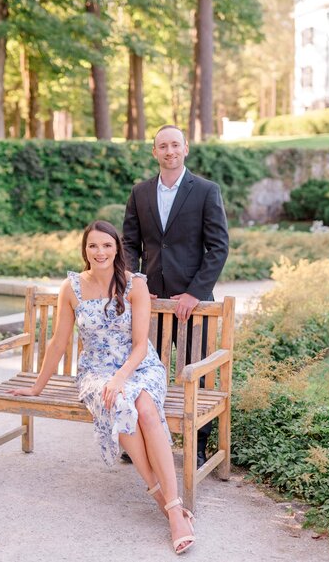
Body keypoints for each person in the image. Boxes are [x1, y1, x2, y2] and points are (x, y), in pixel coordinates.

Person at [9, 220, 195, 555]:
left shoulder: (135, 284)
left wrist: (121, 376)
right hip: (96, 372)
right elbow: (58, 342)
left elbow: (141, 345)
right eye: (93, 246)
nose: (100, 252)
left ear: (117, 249)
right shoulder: (72, 288)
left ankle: (173, 506)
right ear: (85, 250)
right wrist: (37, 388)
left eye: (106, 245)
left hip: (138, 366)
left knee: (146, 410)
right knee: (119, 403)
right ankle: (164, 501)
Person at [123, 125, 229, 468]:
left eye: (175, 145)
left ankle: (196, 447)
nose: (169, 151)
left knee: (194, 372)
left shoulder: (206, 191)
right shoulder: (139, 193)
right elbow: (129, 243)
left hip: (192, 303)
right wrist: (138, 284)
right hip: (149, 304)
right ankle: (137, 440)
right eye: (162, 146)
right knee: (141, 371)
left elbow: (218, 247)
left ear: (185, 149)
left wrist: (195, 292)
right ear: (154, 152)